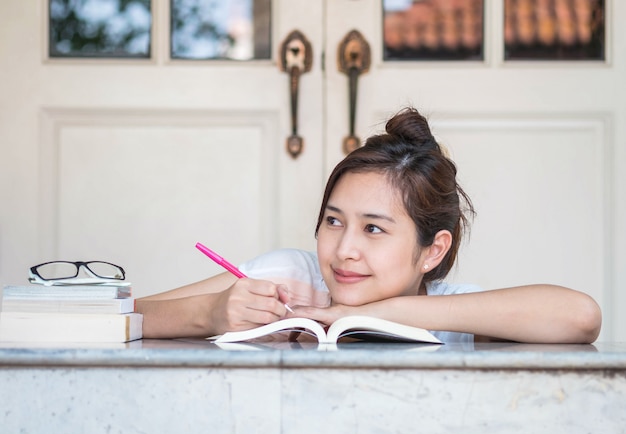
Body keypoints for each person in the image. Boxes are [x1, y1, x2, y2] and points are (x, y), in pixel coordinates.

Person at [137, 107, 601, 344]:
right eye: (333, 221)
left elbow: (581, 317)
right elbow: (118, 319)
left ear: (432, 251)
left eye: (374, 229)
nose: (343, 252)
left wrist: (375, 316)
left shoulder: (449, 312)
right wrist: (212, 313)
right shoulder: (290, 278)